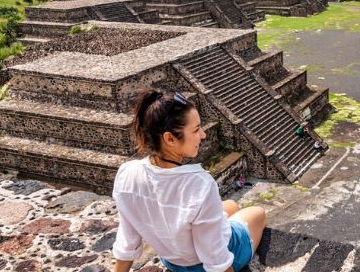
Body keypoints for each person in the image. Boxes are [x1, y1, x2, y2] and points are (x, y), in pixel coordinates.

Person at [113, 90, 266, 272]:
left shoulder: (127, 174)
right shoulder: (198, 184)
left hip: (173, 261)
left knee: (231, 205)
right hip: (205, 264)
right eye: (195, 130)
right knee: (258, 212)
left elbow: (127, 242)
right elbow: (217, 260)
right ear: (170, 138)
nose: (203, 135)